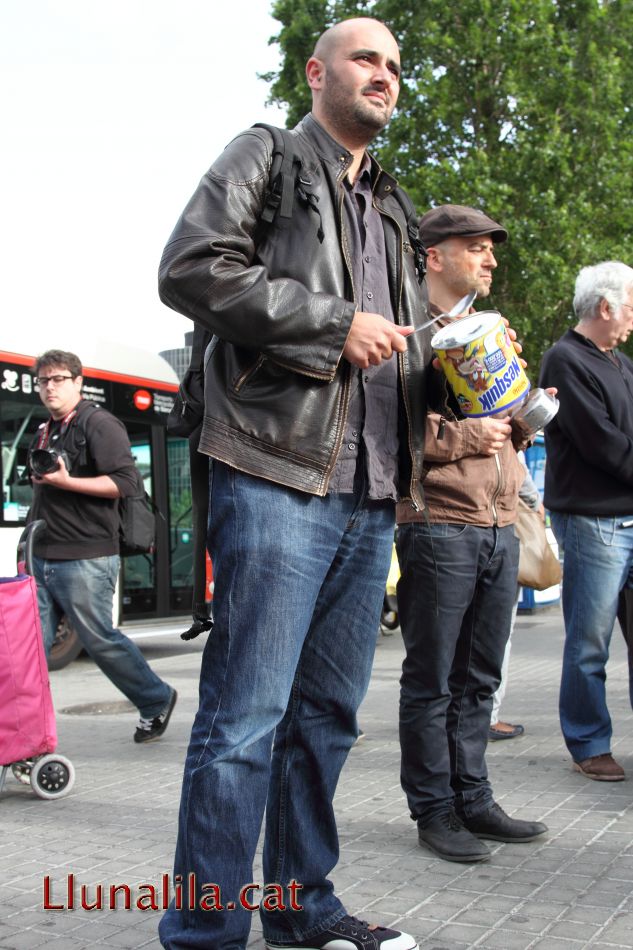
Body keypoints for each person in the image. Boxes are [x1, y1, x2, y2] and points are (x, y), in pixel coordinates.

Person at [156, 18, 433, 950]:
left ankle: (302, 910)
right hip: (274, 470)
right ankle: (206, 933)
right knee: (244, 721)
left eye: (395, 66)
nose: (384, 76)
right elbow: (193, 268)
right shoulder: (267, 155)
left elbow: (393, 349)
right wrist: (329, 323)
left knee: (324, 722)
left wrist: (474, 395)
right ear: (318, 72)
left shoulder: (395, 209)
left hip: (371, 488)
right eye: (366, 59)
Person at [396, 204, 548, 863]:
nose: (489, 260)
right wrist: (464, 434)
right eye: (476, 248)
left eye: (490, 249)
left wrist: (522, 408)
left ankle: (474, 799)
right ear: (434, 255)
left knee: (480, 678)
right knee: (432, 680)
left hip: (497, 522)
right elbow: (383, 436)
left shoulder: (485, 332)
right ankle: (434, 813)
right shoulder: (401, 334)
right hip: (438, 524)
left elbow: (508, 425)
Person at [28, 349, 177, 744]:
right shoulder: (45, 431)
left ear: (78, 382)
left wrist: (68, 482)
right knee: (29, 649)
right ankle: (23, 730)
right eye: (44, 380)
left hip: (86, 558)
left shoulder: (99, 423)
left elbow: (127, 483)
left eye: (59, 379)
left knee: (99, 640)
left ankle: (156, 698)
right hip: (43, 556)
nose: (50, 387)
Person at [539, 261, 633, 782]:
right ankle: (589, 742)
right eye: (631, 309)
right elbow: (601, 444)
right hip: (597, 523)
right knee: (589, 643)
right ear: (606, 306)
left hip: (628, 515)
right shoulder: (565, 360)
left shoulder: (620, 362)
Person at [488, 459, 541, 741]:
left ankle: (458, 716)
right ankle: (488, 716)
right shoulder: (500, 417)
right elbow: (514, 462)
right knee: (497, 634)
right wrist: (534, 501)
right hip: (496, 524)